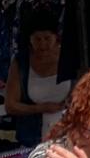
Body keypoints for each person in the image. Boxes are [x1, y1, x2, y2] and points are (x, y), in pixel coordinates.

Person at [4, 14, 71, 147]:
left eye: (47, 38)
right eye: (37, 39)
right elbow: (10, 105)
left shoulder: (70, 59)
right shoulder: (21, 63)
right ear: (30, 40)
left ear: (56, 37)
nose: (43, 44)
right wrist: (41, 108)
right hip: (30, 140)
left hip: (68, 138)